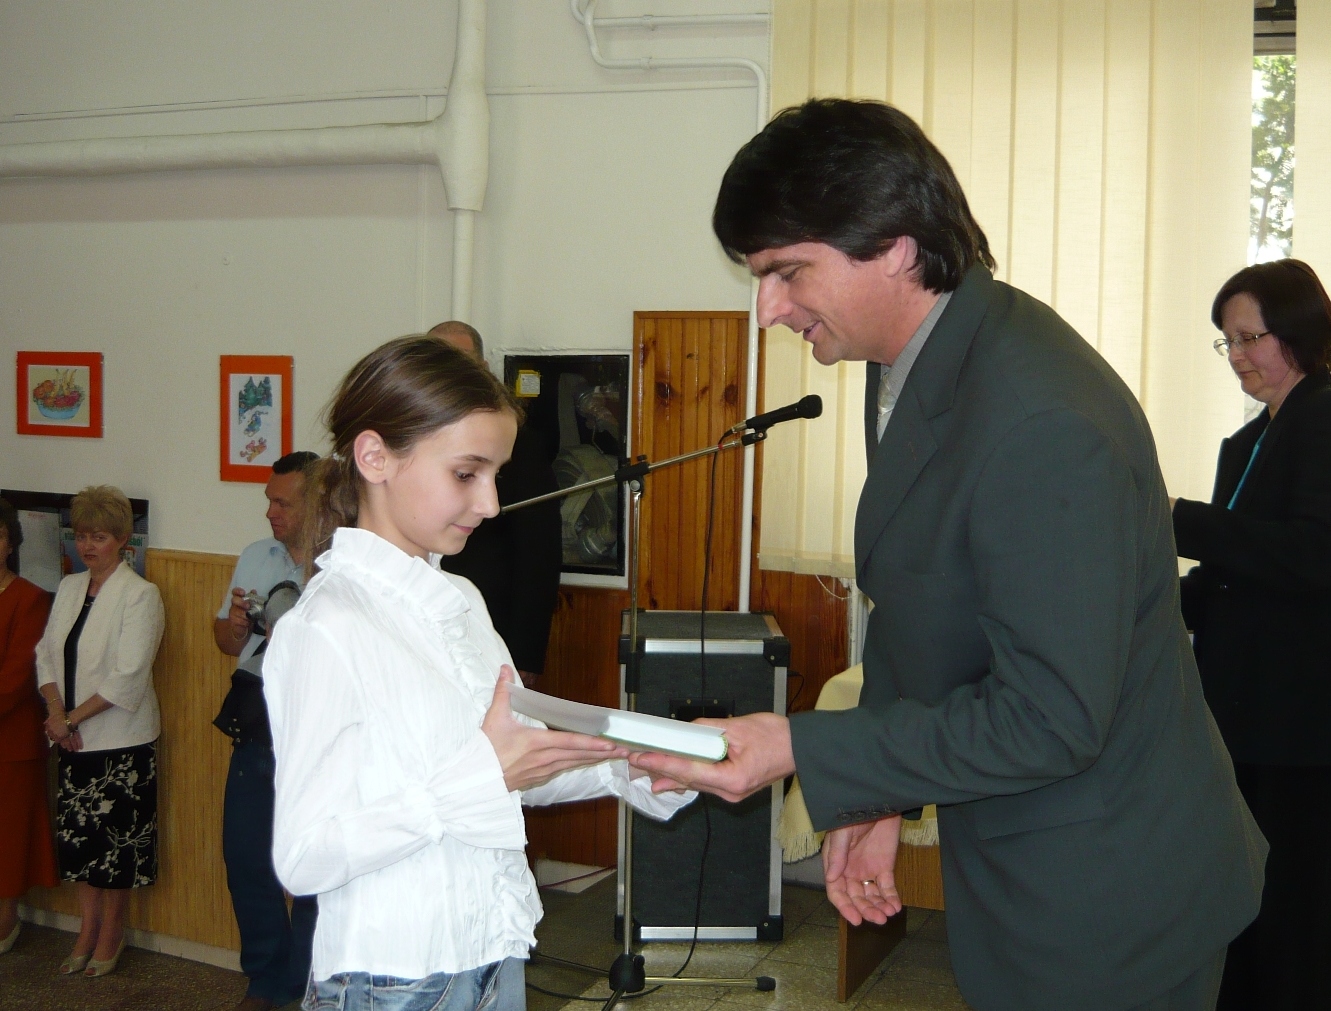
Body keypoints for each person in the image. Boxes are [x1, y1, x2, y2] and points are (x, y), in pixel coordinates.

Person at [630, 98, 1267, 1011]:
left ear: (893, 247)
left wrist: (799, 745)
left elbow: (1051, 717)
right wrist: (877, 796)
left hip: (1107, 893)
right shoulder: (913, 358)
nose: (766, 310)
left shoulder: (1040, 422)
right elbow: (916, 601)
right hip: (1034, 857)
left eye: (786, 271)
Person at [262, 335, 692, 1011]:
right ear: (374, 457)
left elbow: (516, 764)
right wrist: (483, 775)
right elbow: (304, 855)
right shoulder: (325, 628)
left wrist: (633, 763)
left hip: (492, 955)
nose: (490, 504)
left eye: (495, 475)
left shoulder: (459, 600)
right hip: (392, 982)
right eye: (466, 474)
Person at [1170, 259, 1331, 1009]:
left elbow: (1312, 554)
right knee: (1239, 890)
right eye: (1225, 341)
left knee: (1295, 905)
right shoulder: (1243, 443)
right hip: (1238, 708)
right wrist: (1146, 604)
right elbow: (1227, 577)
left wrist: (1181, 520)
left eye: (1249, 337)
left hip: (1301, 717)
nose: (1235, 355)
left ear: (1296, 330)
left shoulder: (1324, 416)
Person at [35, 485, 164, 978]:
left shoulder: (141, 595)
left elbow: (127, 676)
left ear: (123, 540)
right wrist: (56, 714)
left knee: (115, 849)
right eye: (82, 535)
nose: (88, 546)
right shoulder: (70, 587)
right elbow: (46, 654)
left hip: (120, 744)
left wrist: (69, 720)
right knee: (80, 845)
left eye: (100, 537)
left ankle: (112, 930)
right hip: (70, 739)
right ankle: (85, 928)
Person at [213, 450, 320, 1011]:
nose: (271, 512)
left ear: (316, 504)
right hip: (258, 721)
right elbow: (225, 641)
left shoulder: (343, 560)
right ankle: (264, 978)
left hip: (319, 726)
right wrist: (234, 627)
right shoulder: (257, 556)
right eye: (269, 501)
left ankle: (305, 983)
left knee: (314, 867)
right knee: (247, 857)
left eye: (283, 503)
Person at [429, 321, 562, 687]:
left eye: (459, 359)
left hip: (491, 622)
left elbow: (539, 551)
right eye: (437, 360)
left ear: (482, 367)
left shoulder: (517, 441)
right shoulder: (414, 438)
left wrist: (526, 652)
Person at [0, 497, 59, 955]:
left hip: (11, 740)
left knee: (8, 836)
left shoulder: (31, 598)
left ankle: (6, 918)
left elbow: (18, 678)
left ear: (10, 543)